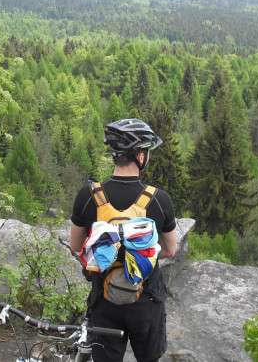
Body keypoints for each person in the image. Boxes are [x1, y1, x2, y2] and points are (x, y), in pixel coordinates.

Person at [69, 118, 177, 362]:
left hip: (104, 301)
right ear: (139, 155)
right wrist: (138, 255)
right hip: (147, 302)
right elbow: (171, 249)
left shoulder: (89, 195)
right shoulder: (159, 199)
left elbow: (76, 246)